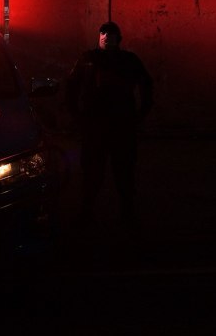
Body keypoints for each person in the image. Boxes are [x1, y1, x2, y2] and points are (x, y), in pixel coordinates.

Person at [65, 21, 153, 234]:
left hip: (121, 126)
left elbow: (146, 84)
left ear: (118, 39)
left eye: (111, 34)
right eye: (103, 33)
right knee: (92, 172)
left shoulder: (128, 60)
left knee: (124, 172)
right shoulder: (88, 59)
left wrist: (140, 114)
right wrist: (77, 115)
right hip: (96, 126)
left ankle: (126, 214)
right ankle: (88, 213)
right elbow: (71, 86)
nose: (106, 36)